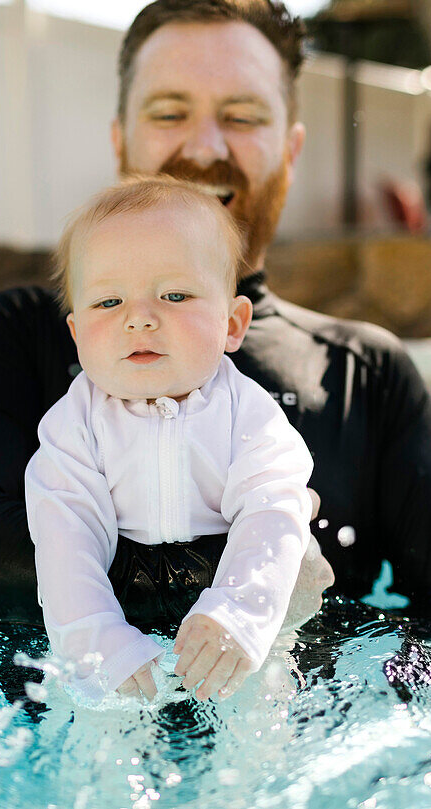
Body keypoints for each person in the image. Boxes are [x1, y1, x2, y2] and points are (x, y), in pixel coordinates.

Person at [0, 0, 431, 638]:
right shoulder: (22, 335)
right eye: (169, 112)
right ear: (119, 142)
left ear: (292, 152)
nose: (206, 145)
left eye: (242, 115)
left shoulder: (367, 375)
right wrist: (245, 579)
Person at [26, 176, 331, 703]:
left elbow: (273, 515)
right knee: (104, 722)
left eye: (174, 295)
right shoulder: (72, 427)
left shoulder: (250, 415)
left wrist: (238, 612)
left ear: (232, 323)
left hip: (247, 621)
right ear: (76, 335)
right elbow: (63, 543)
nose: (139, 318)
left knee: (265, 700)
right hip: (122, 614)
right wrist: (99, 645)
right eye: (108, 302)